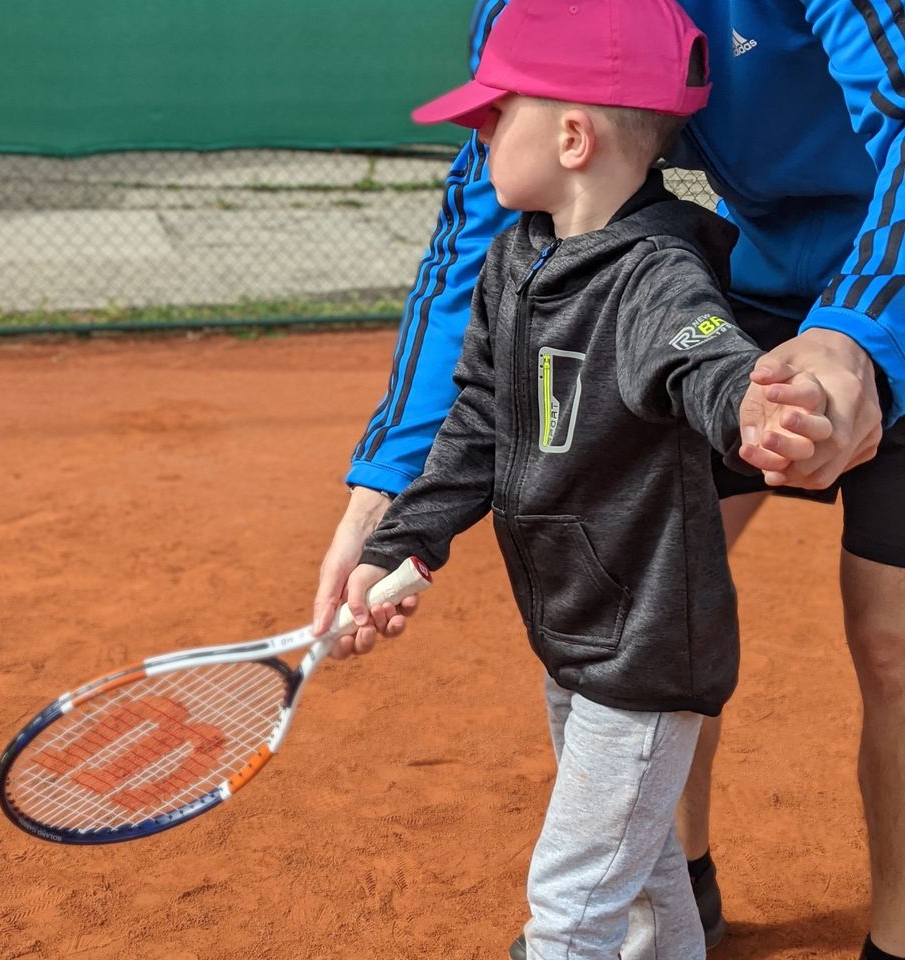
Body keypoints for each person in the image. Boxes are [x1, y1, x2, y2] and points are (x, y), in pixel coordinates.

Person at [313, 1, 905, 958]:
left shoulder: (658, 282)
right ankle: (681, 907)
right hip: (746, 291)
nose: (479, 129)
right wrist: (387, 508)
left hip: (887, 273)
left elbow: (701, 355)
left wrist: (802, 375)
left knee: (891, 643)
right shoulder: (545, 250)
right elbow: (478, 382)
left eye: (494, 112)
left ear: (574, 136)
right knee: (645, 587)